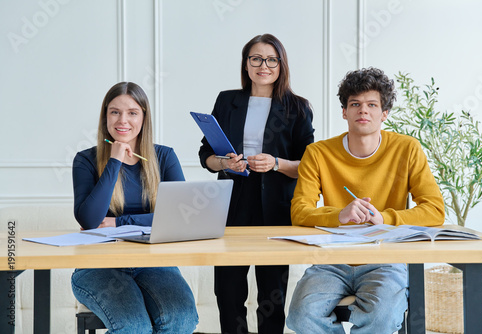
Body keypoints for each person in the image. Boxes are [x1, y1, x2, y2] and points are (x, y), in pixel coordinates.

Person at [286, 67, 445, 333]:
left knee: (382, 317)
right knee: (301, 316)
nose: (363, 110)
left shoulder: (407, 149)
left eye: (372, 104)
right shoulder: (318, 153)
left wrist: (386, 218)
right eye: (355, 104)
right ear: (344, 112)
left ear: (384, 114)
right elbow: (299, 211)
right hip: (331, 261)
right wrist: (339, 215)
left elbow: (434, 210)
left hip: (385, 259)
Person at [198, 33, 314, 334]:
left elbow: (309, 167)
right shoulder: (227, 101)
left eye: (271, 59)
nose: (264, 65)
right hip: (231, 204)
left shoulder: (298, 107)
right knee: (228, 291)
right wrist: (224, 163)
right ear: (246, 64)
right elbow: (206, 154)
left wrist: (275, 163)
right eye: (256, 59)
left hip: (275, 208)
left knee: (271, 295)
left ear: (281, 64)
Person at [71, 82, 198, 334]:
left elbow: (180, 216)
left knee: (181, 319)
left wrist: (119, 222)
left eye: (132, 112)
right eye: (115, 112)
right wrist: (114, 161)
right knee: (133, 327)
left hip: (154, 262)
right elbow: (89, 219)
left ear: (144, 117)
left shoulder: (164, 157)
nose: (123, 120)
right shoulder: (85, 160)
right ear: (105, 116)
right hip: (98, 265)